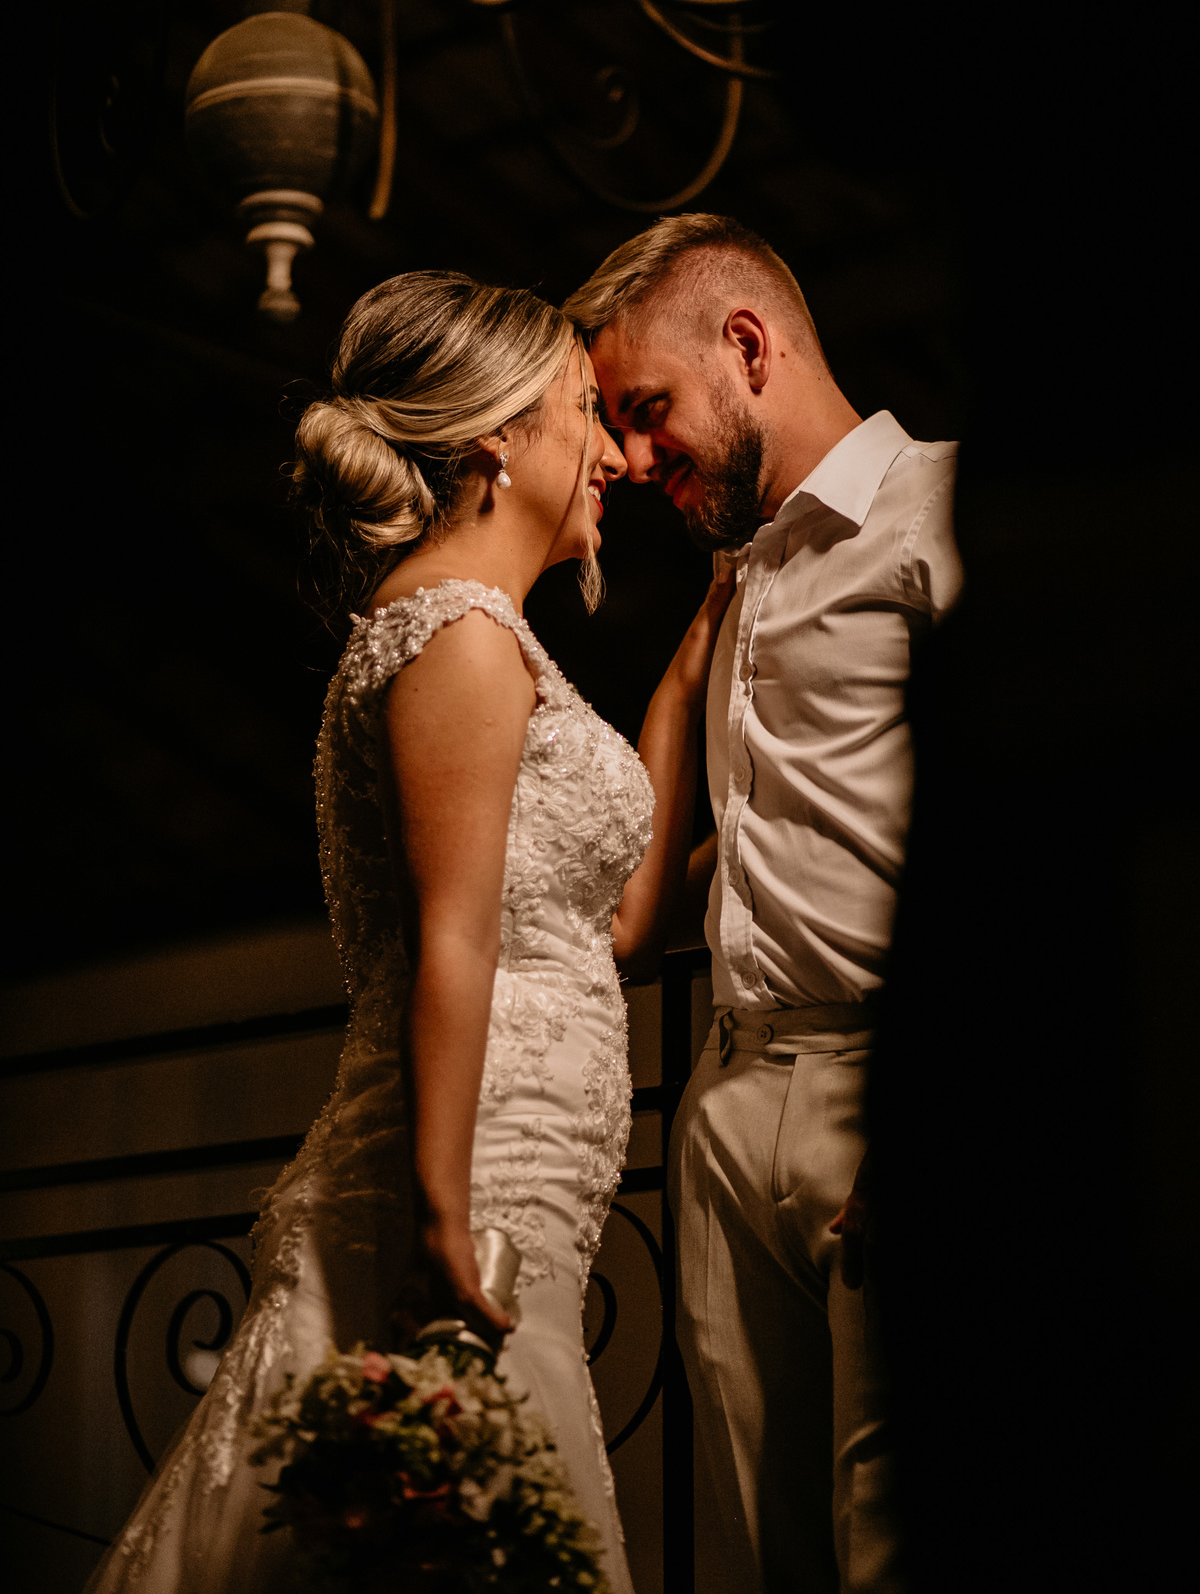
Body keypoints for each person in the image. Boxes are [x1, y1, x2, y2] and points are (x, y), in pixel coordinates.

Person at [86, 271, 733, 1594]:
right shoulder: (455, 638)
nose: (614, 455)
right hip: (470, 1177)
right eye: (584, 412)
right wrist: (442, 1218)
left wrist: (685, 687)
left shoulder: (488, 638)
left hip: (527, 1177)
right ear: (497, 439)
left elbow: (616, 926)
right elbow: (455, 942)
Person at [565, 215, 963, 1594]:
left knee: (890, 1543)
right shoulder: (740, 573)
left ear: (748, 347)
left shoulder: (936, 509)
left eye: (646, 408)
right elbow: (730, 858)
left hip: (877, 1083)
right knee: (763, 1555)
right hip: (728, 1103)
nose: (630, 457)